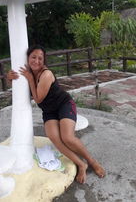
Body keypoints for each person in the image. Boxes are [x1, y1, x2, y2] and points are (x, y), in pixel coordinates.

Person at [7, 45, 105, 184]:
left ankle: (92, 161)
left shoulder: (45, 74)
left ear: (44, 60)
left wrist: (29, 79)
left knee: (67, 137)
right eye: (33, 57)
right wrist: (10, 78)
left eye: (40, 58)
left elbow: (38, 99)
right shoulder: (28, 73)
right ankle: (81, 164)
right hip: (49, 111)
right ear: (28, 58)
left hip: (63, 104)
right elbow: (20, 89)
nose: (36, 61)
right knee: (54, 137)